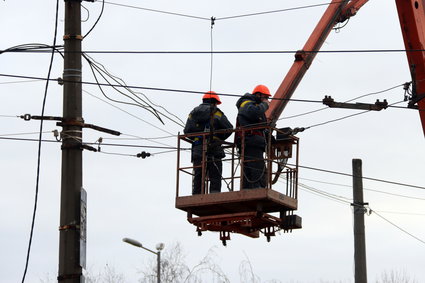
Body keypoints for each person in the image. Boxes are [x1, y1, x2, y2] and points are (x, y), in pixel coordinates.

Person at [184, 91, 233, 195]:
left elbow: (187, 131)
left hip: (198, 149)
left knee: (198, 174)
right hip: (213, 148)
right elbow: (229, 128)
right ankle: (214, 194)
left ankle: (196, 195)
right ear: (214, 102)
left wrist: (197, 138)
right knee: (215, 174)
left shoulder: (193, 113)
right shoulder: (216, 112)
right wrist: (219, 138)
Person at [235, 84, 271, 189]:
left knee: (255, 167)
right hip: (251, 141)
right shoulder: (246, 103)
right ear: (258, 95)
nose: (267, 100)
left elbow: (261, 125)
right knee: (256, 167)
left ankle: (251, 188)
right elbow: (252, 113)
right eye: (265, 97)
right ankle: (257, 189)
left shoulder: (254, 106)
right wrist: (265, 105)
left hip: (254, 141)